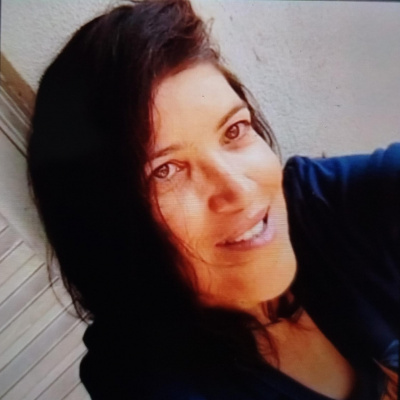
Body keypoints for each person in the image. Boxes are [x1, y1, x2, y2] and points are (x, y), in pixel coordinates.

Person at [27, 0, 399, 399]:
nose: (240, 190)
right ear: (105, 218)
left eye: (234, 130)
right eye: (165, 171)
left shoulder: (320, 202)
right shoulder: (145, 379)